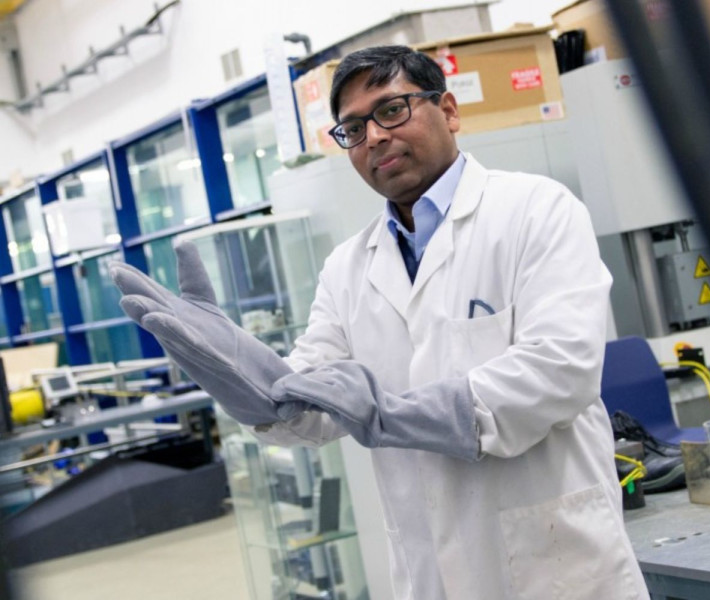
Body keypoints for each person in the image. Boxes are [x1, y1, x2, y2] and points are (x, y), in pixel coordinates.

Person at [111, 46, 649, 599]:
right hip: (431, 578)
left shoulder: (536, 211)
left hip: (556, 569)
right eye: (352, 128)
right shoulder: (348, 267)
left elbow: (561, 370)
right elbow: (312, 404)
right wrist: (241, 376)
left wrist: (393, 415)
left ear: (449, 111)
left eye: (392, 110)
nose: (373, 137)